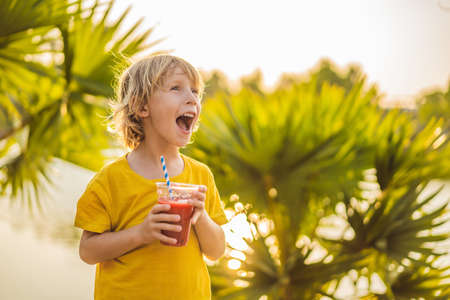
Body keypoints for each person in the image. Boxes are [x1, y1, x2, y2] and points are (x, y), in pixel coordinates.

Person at [74, 55, 228, 300]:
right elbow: (87, 251)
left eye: (195, 92)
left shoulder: (200, 176)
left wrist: (202, 218)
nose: (191, 98)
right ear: (142, 107)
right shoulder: (110, 180)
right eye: (176, 88)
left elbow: (217, 250)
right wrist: (141, 233)